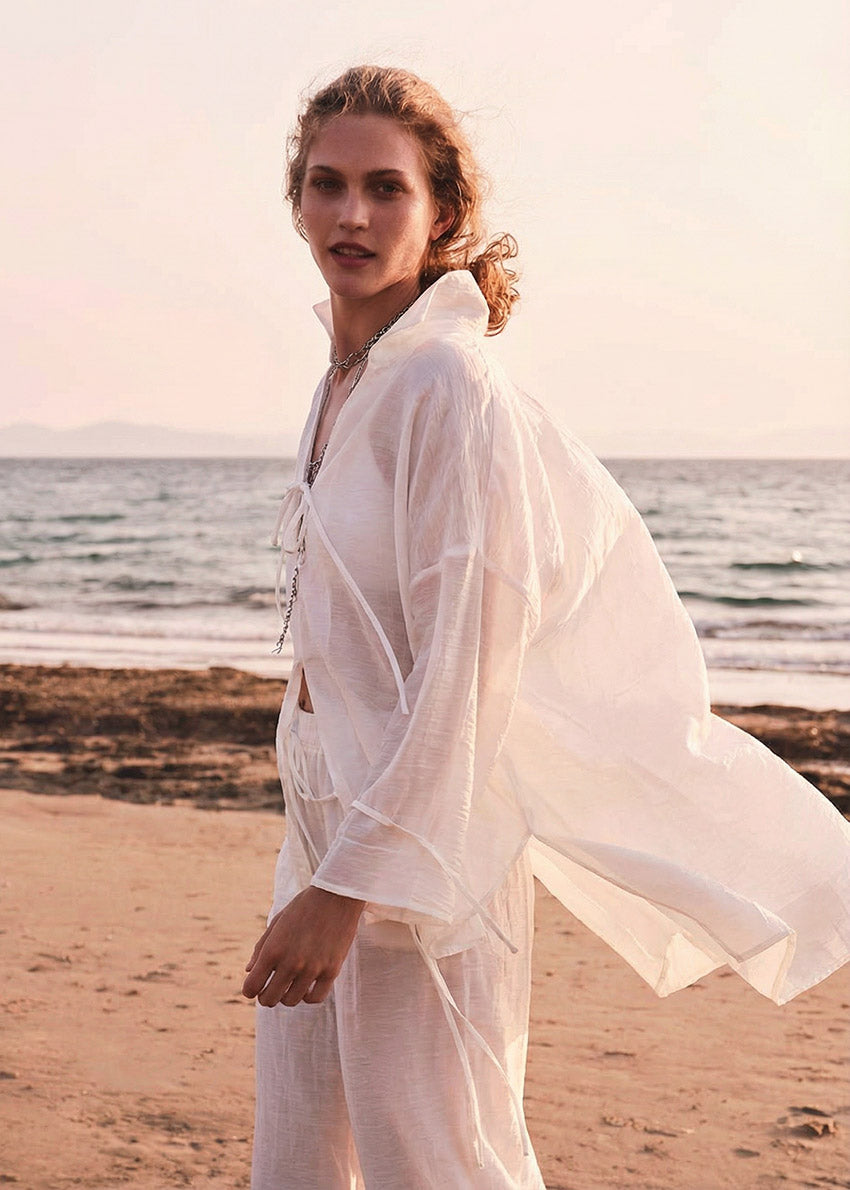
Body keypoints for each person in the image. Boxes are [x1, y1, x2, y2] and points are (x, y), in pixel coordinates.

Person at [242, 65, 850, 1189]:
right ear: (296, 201)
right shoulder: (349, 377)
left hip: (417, 852)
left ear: (443, 217)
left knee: (444, 1160)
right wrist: (314, 859)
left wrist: (349, 887)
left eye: (386, 187)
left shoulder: (449, 390)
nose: (352, 214)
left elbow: (467, 671)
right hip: (324, 815)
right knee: (297, 1154)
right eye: (326, 185)